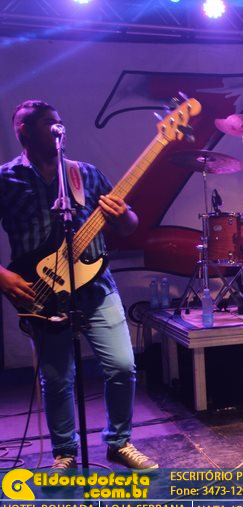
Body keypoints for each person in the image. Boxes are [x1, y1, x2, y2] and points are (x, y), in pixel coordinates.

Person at [0, 100, 157, 472]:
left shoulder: (83, 173)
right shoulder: (6, 179)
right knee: (57, 379)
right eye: (46, 123)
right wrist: (2, 276)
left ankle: (119, 442)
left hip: (97, 287)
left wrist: (124, 216)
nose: (57, 128)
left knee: (122, 366)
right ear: (22, 131)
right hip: (42, 294)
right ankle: (65, 452)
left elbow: (128, 225)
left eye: (58, 121)